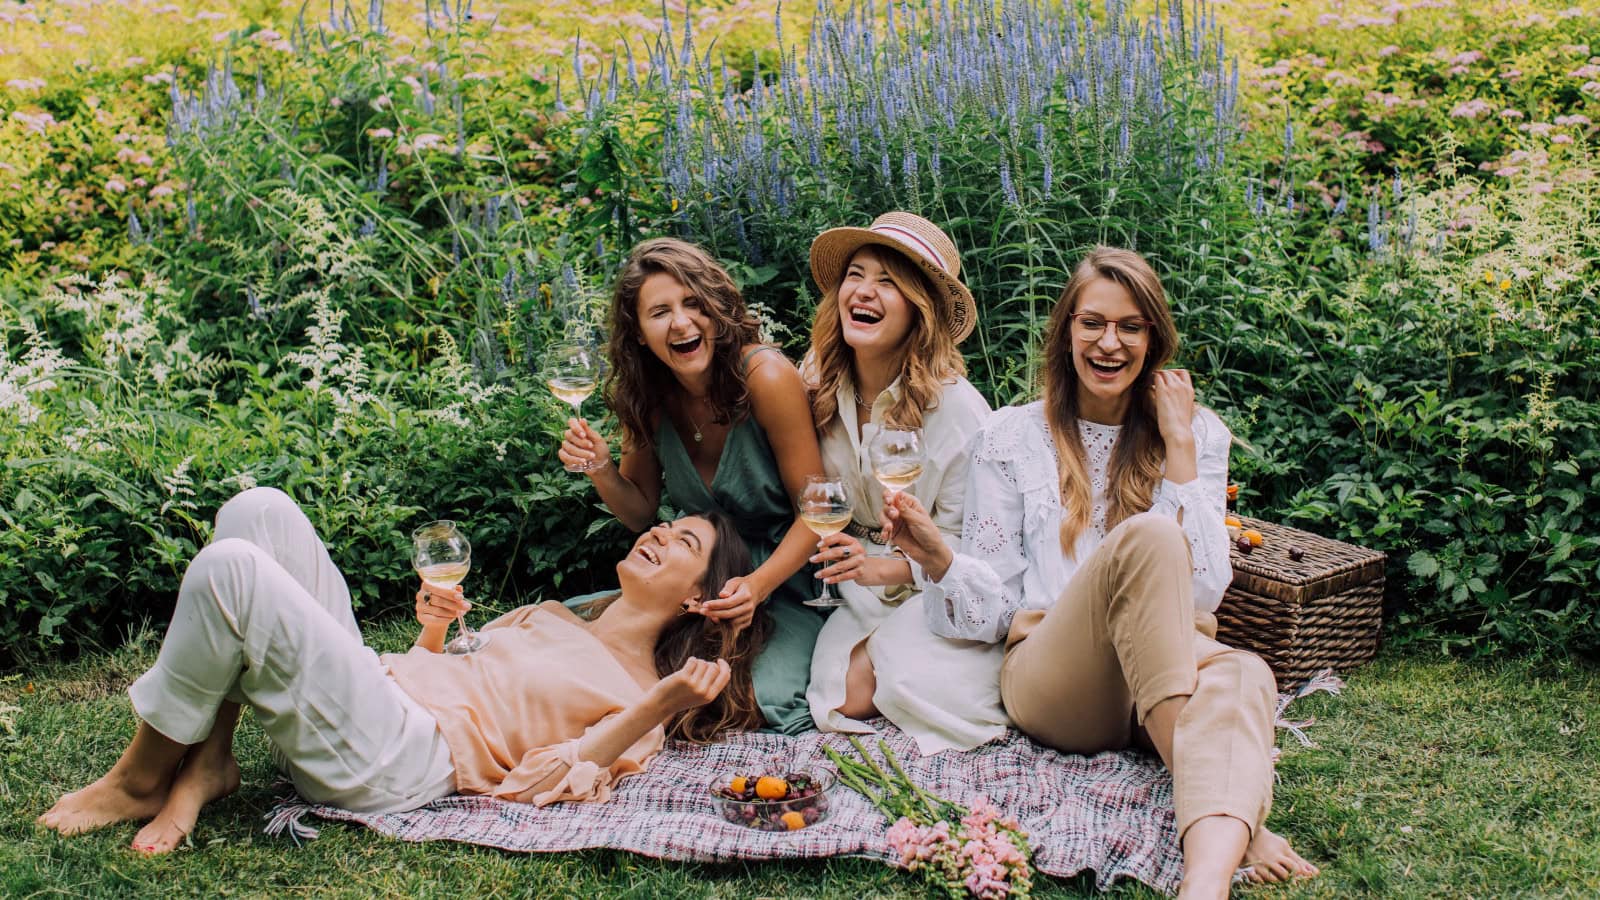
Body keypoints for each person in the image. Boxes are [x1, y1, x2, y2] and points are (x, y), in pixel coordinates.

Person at [883, 247, 1319, 897]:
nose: (1109, 342)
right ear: (1065, 333)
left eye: (1130, 326)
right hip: (1058, 678)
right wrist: (939, 560)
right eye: (1092, 323)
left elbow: (1205, 591)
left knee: (1247, 672)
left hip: (1165, 667)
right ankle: (1233, 807)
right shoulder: (1011, 436)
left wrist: (1178, 450)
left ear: (1153, 339)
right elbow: (995, 612)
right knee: (1148, 538)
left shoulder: (1197, 434)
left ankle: (1207, 882)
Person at [37, 487, 763, 854]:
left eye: (684, 541)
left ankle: (138, 779)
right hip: (381, 692)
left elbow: (540, 784)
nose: (659, 533)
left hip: (400, 759)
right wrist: (435, 628)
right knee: (259, 512)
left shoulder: (642, 696)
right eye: (663, 526)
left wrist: (661, 704)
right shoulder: (549, 616)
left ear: (699, 597)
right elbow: (439, 670)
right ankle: (209, 763)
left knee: (234, 571)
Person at [558, 238, 825, 734]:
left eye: (694, 304)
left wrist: (757, 586)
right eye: (659, 312)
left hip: (781, 580)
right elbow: (640, 512)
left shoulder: (765, 377)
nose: (681, 323)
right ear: (638, 333)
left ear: (717, 311)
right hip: (691, 580)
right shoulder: (645, 395)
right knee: (574, 635)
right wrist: (600, 468)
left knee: (756, 697)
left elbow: (817, 511)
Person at [799, 212, 1002, 754]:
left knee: (896, 683)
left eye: (888, 283)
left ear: (920, 310)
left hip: (931, 583)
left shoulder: (957, 410)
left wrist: (885, 567)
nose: (864, 292)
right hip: (853, 581)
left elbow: (975, 549)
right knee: (838, 697)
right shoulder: (819, 378)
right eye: (856, 275)